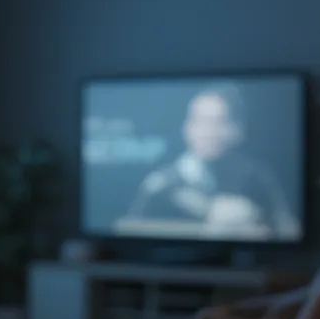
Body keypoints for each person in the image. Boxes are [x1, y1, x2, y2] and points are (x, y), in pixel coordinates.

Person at [120, 84, 299, 240]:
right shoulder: (159, 185)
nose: (209, 132)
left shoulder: (256, 177)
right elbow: (129, 231)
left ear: (237, 130)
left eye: (219, 122)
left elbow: (288, 229)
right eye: (200, 121)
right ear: (186, 127)